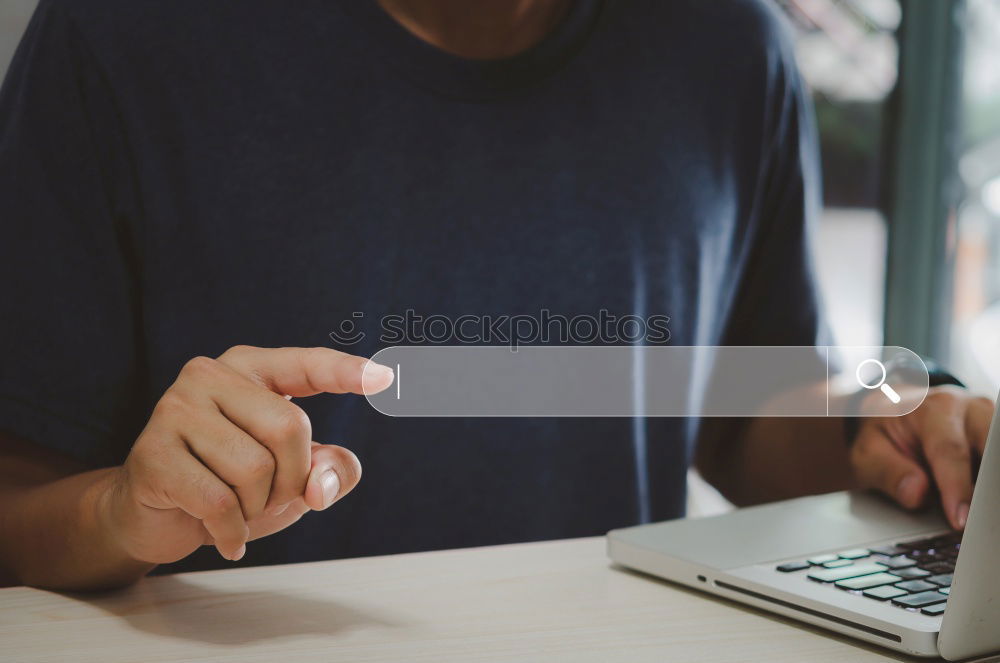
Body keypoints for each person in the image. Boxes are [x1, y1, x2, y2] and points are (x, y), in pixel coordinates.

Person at [0, 0, 992, 591]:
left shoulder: (730, 46)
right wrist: (123, 514)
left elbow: (738, 408)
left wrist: (886, 425)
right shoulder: (122, 37)